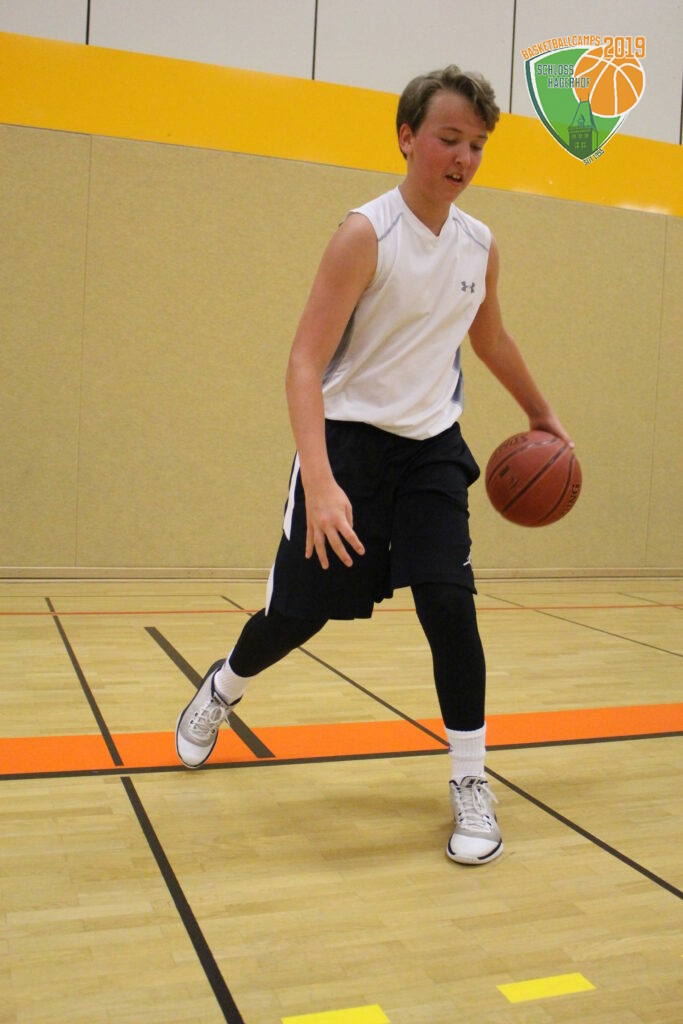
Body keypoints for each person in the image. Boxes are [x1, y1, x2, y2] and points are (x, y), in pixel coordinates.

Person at [176, 65, 572, 866]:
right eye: (449, 139)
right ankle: (223, 686)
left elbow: (489, 337)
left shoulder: (478, 245)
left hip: (432, 450)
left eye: (476, 145)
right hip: (348, 448)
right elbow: (302, 363)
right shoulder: (366, 234)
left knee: (448, 603)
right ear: (406, 137)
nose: (463, 158)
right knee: (296, 617)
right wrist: (321, 483)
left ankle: (470, 779)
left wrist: (542, 414)